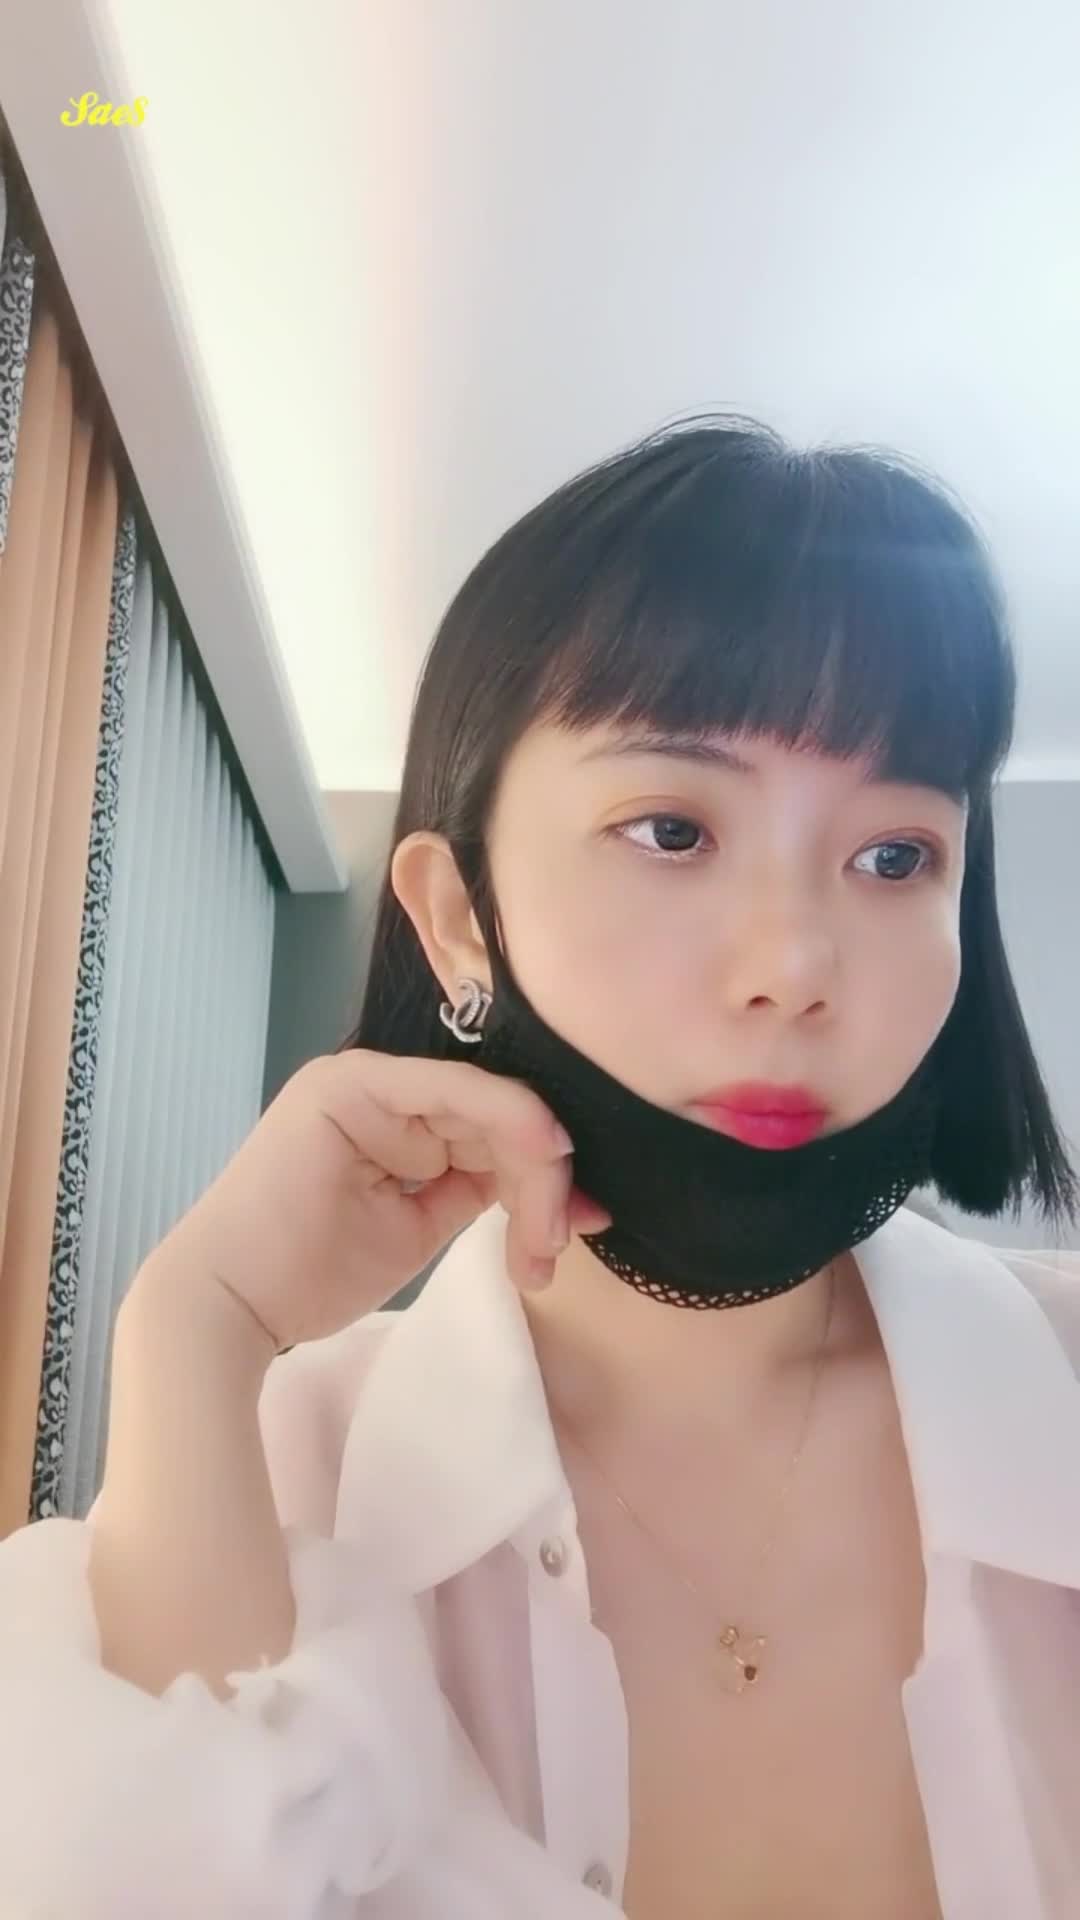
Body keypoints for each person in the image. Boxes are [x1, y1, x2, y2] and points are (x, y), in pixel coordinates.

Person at [1, 414, 1078, 1920]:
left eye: (896, 856)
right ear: (457, 919)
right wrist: (191, 1327)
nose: (796, 965)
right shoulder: (287, 1462)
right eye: (673, 828)